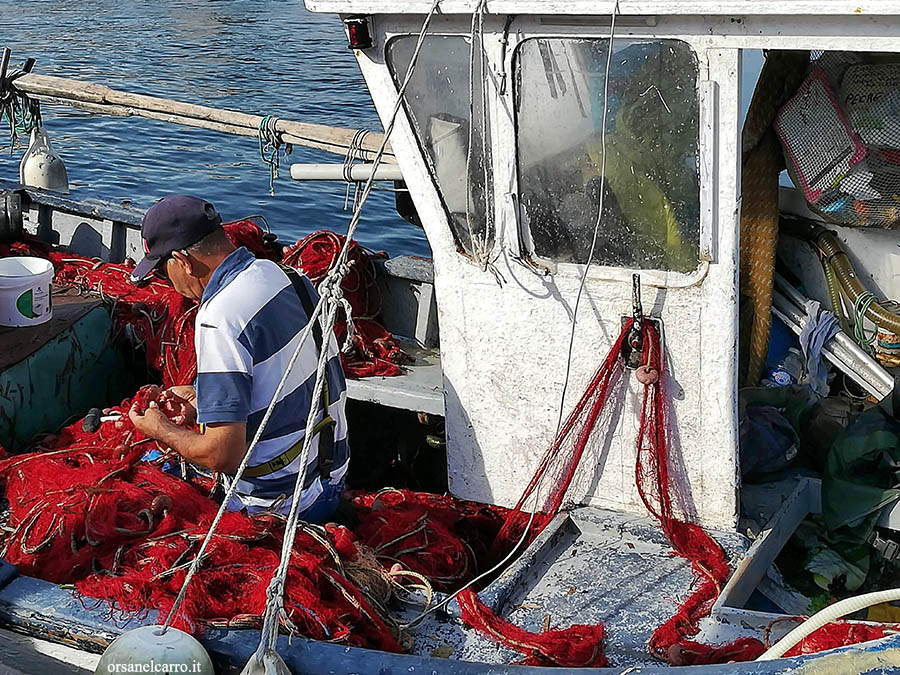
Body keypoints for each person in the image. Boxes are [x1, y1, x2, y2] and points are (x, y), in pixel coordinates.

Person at [127, 195, 349, 523]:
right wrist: (201, 396)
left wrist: (160, 429)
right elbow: (279, 380)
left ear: (182, 261)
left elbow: (223, 455)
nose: (168, 284)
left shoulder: (218, 316)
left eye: (162, 271)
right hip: (331, 477)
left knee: (143, 471)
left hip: (283, 505)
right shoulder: (287, 276)